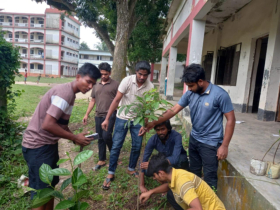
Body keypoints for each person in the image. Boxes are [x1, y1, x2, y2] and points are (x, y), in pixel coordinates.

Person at [139, 63, 235, 190]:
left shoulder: (220, 95)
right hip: (194, 139)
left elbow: (231, 119)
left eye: (191, 86)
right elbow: (173, 110)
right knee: (194, 172)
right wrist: (153, 123)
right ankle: (195, 199)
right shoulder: (190, 93)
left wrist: (224, 145)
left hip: (210, 143)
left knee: (209, 175)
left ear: (200, 81)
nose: (189, 89)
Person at [22, 63, 101, 210]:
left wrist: (75, 136)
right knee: (41, 194)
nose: (90, 87)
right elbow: (48, 124)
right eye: (88, 81)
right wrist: (74, 138)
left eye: (93, 84)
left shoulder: (70, 94)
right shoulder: (65, 93)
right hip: (37, 147)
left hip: (47, 146)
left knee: (50, 187)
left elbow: (61, 125)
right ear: (78, 77)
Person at [101, 61, 154, 190]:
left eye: (145, 75)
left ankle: (131, 169)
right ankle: (111, 172)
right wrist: (107, 119)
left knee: (136, 146)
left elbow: (148, 108)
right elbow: (116, 100)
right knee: (116, 145)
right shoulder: (127, 81)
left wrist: (145, 124)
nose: (142, 77)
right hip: (122, 118)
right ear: (136, 72)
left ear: (148, 75)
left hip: (138, 120)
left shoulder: (150, 87)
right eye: (140, 74)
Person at [140, 153, 226, 210]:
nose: (155, 179)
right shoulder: (175, 174)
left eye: (154, 176)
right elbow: (168, 186)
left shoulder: (183, 183)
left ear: (161, 173)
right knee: (171, 195)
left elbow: (197, 209)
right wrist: (151, 192)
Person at [140, 120, 189, 210]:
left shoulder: (176, 136)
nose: (160, 132)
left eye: (163, 129)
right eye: (158, 130)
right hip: (164, 162)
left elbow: (175, 159)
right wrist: (141, 185)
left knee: (178, 161)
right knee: (147, 171)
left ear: (168, 129)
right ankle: (165, 184)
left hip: (179, 160)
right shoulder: (153, 139)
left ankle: (172, 184)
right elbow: (144, 161)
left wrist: (156, 164)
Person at [83, 62, 119, 171]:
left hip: (110, 115)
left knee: (107, 136)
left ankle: (114, 157)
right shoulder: (96, 85)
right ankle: (102, 159)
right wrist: (87, 114)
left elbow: (118, 100)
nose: (103, 76)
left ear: (110, 73)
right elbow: (93, 100)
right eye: (102, 74)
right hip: (98, 115)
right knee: (100, 137)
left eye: (106, 74)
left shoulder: (116, 85)